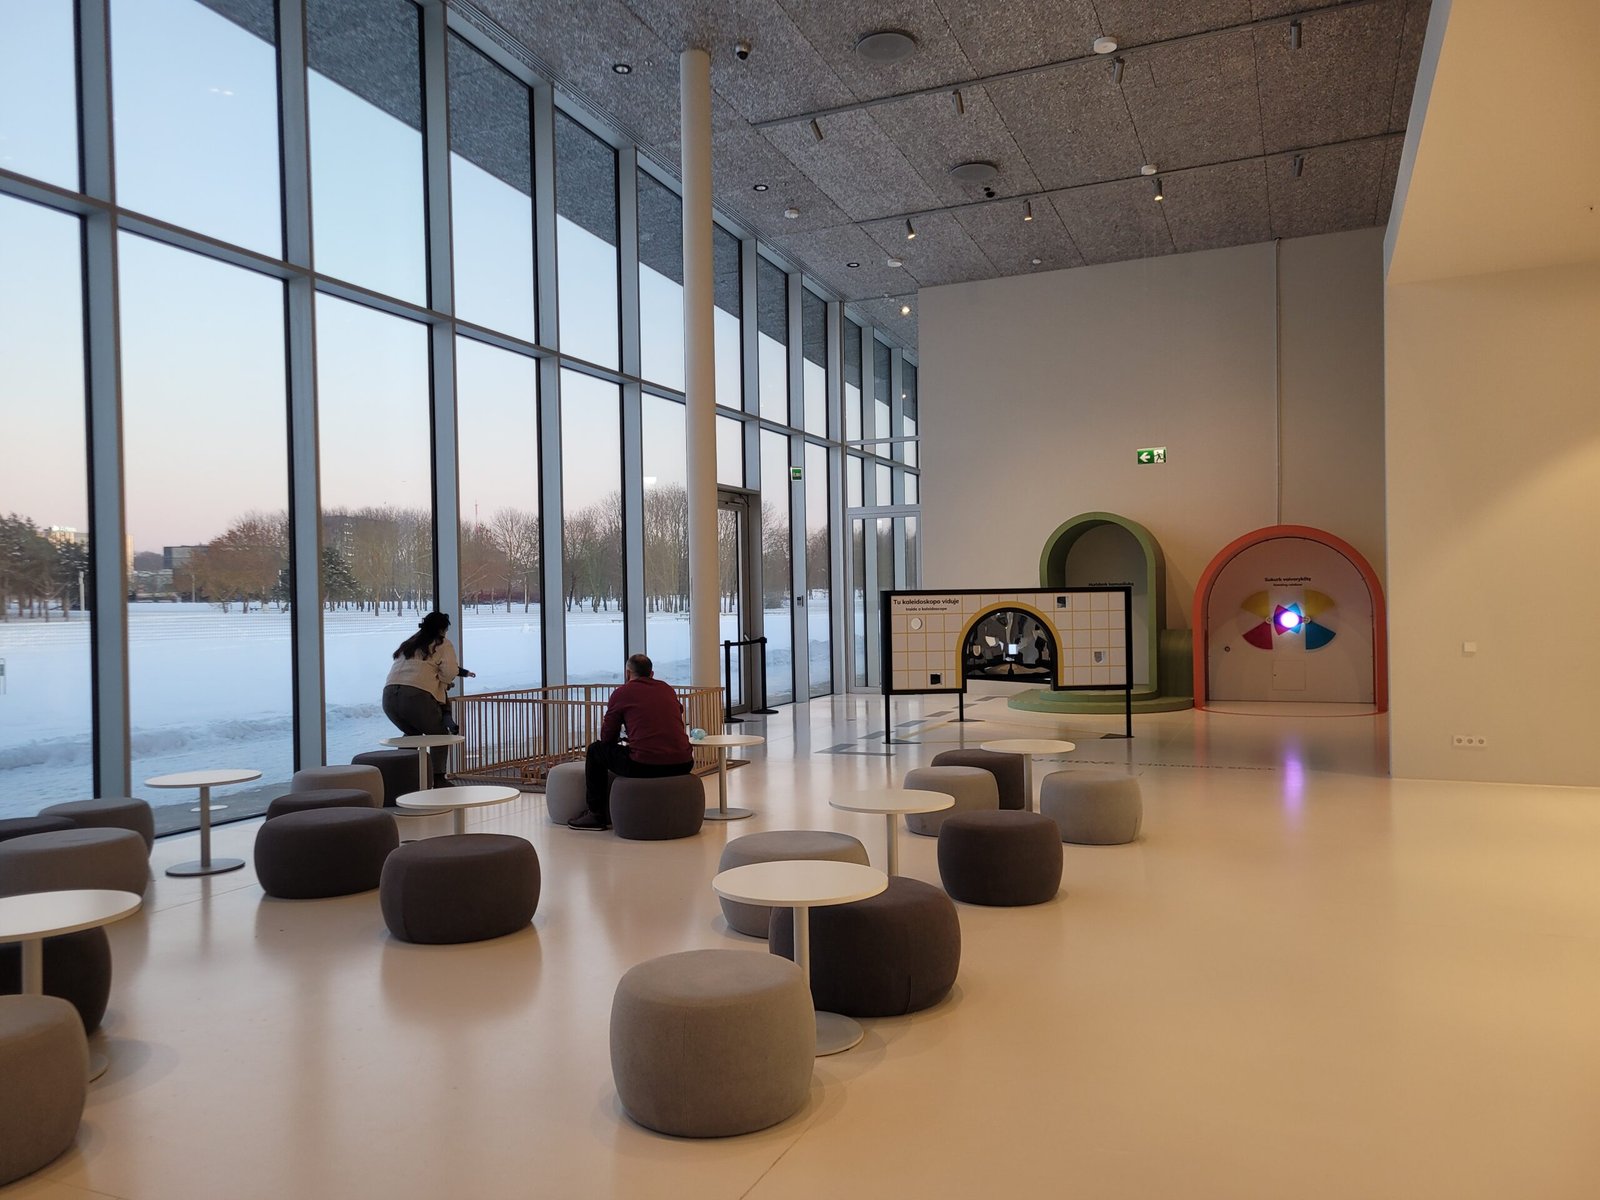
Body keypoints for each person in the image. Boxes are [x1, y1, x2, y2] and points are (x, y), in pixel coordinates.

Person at [568, 653, 694, 831]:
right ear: (651, 673)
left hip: (645, 765)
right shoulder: (666, 689)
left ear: (627, 673)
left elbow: (607, 737)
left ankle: (596, 814)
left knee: (595, 750)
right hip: (684, 763)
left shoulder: (622, 693)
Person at [382, 611, 475, 789]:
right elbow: (449, 671)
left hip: (389, 697)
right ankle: (438, 778)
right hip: (415, 696)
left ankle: (401, 779)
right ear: (442, 629)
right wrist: (445, 681)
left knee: (412, 735)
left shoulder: (410, 643)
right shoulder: (442, 643)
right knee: (440, 735)